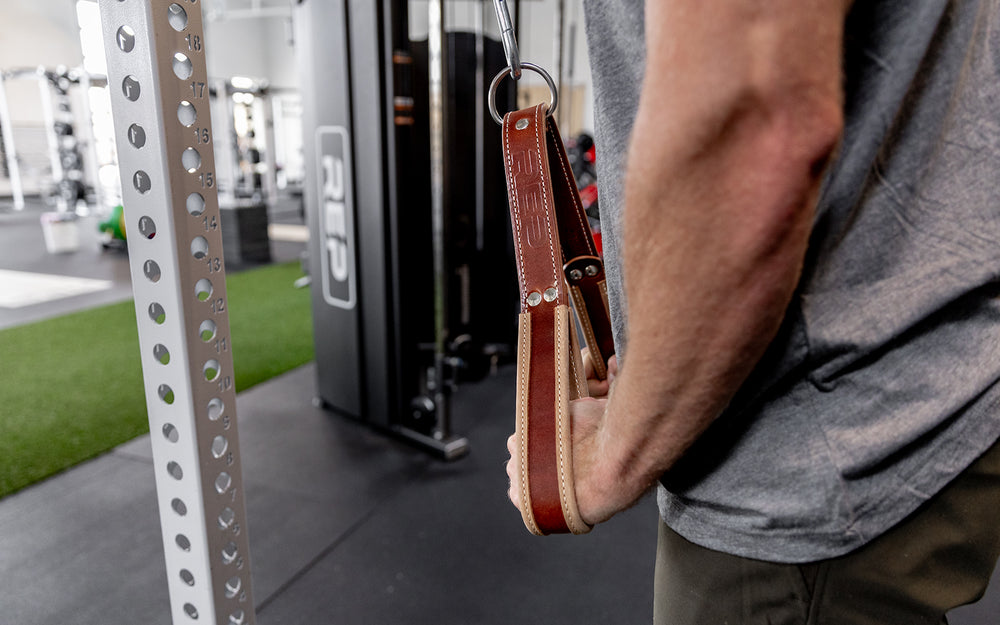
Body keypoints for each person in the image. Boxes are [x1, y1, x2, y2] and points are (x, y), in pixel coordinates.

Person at [506, 1, 1000, 623]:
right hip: (919, 378)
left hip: (805, 457)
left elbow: (753, 125)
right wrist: (656, 354)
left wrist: (613, 456)